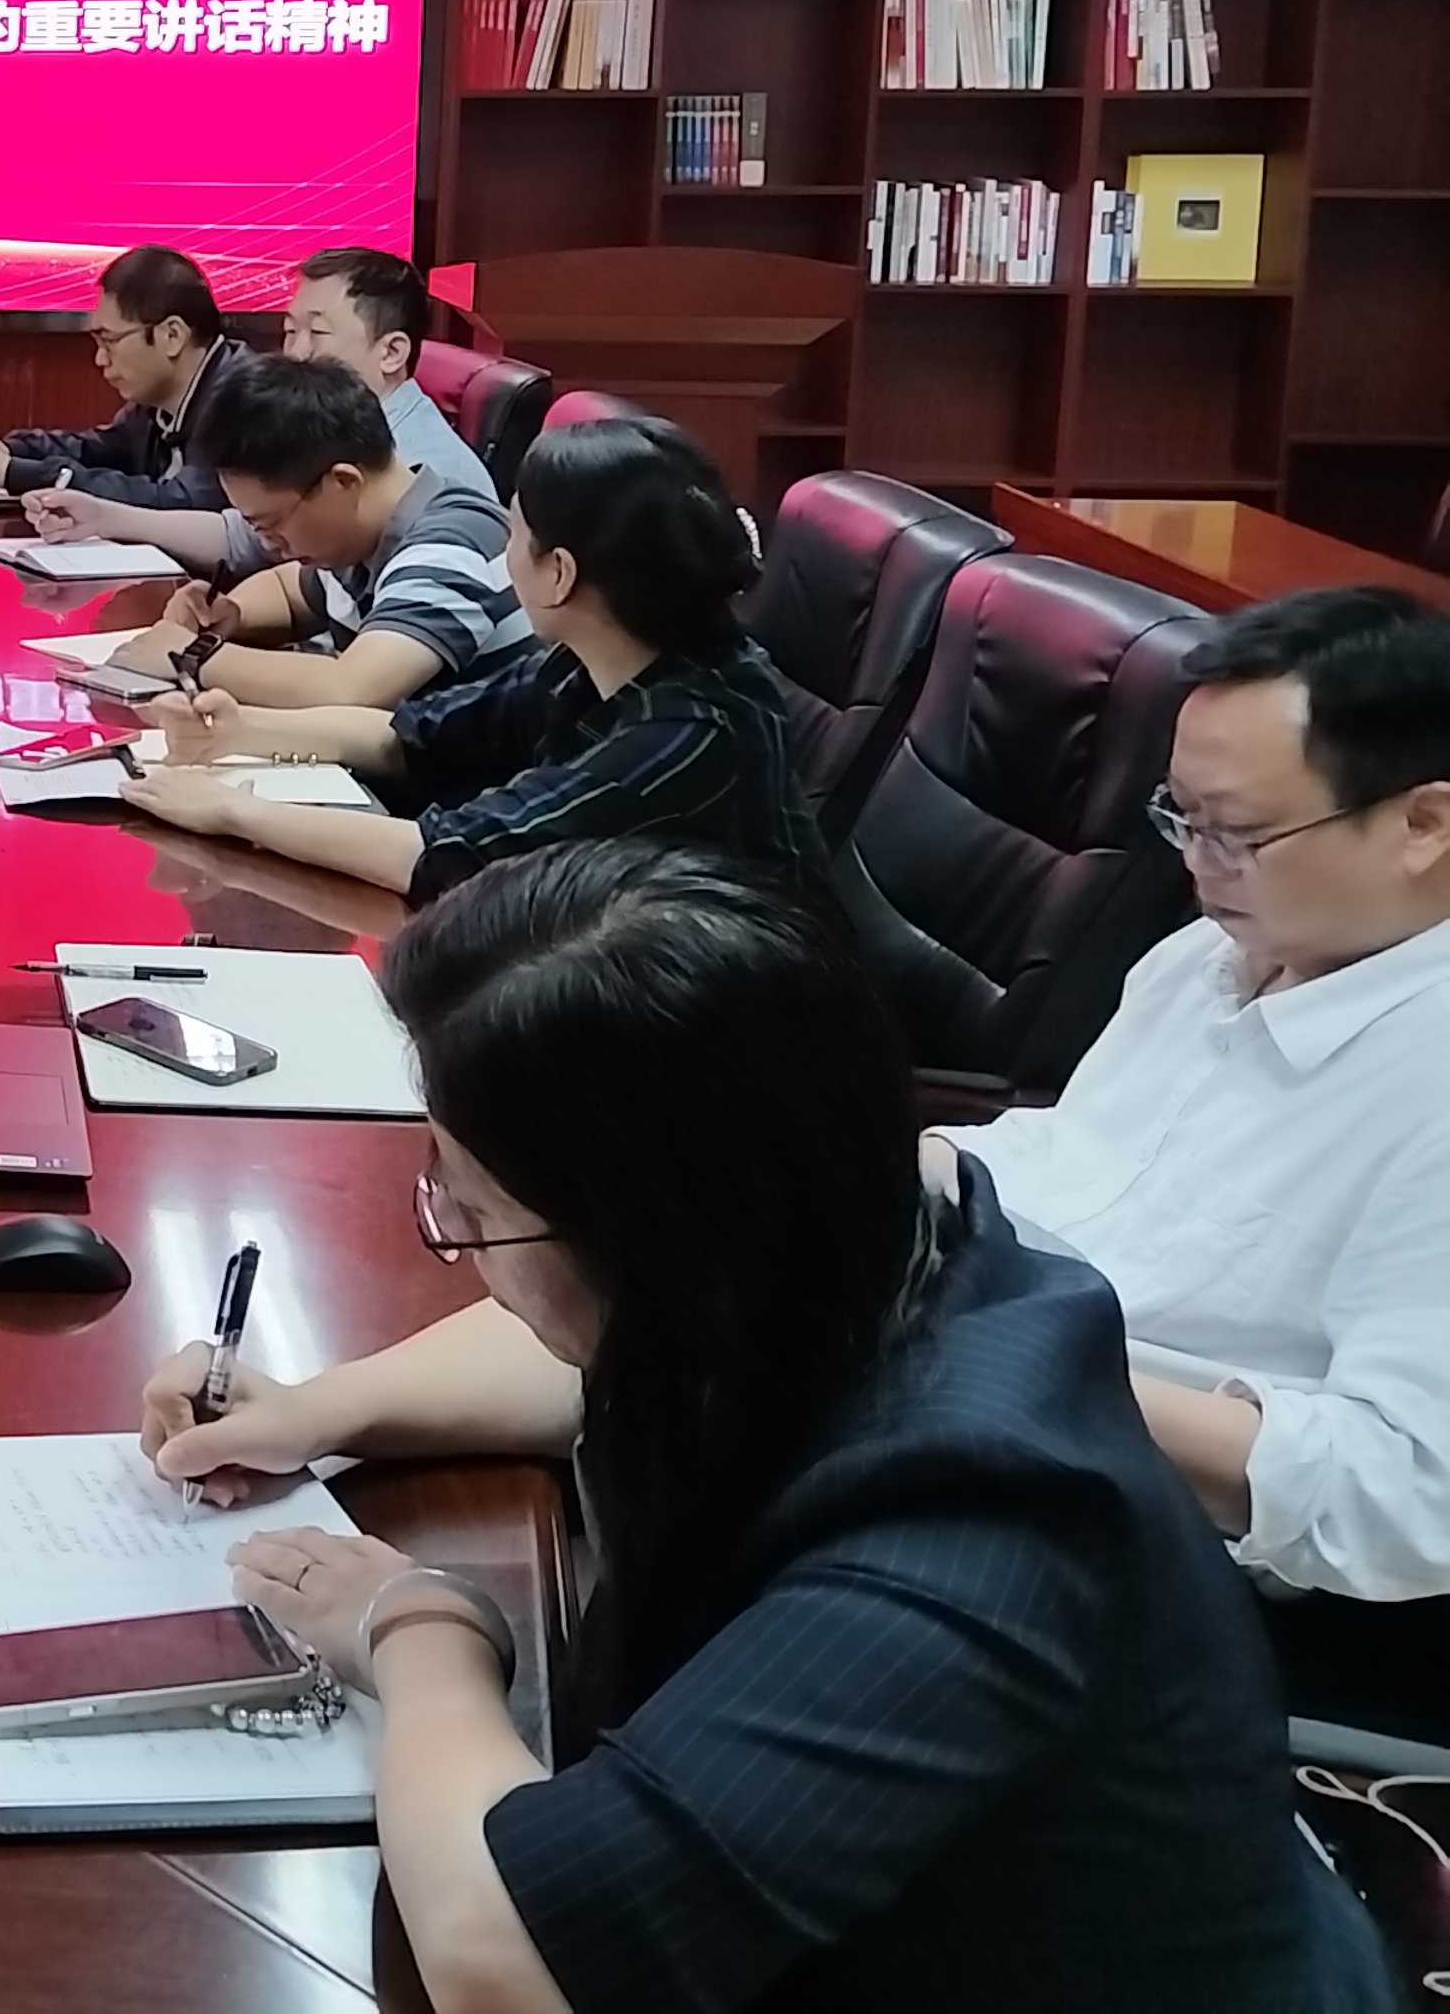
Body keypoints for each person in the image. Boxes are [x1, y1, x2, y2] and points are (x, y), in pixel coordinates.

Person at [144, 839, 1391, 2014]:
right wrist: (321, 1407)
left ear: (656, 1240)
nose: (461, 1247)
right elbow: (599, 1349)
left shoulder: (977, 1531)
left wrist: (418, 1629)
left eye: (472, 1210)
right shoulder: (864, 1228)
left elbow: (505, 1959)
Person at [945, 586, 1450, 1746]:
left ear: (1424, 823)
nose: (1195, 865)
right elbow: (1080, 1164)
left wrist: (1008, 1361)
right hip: (1011, 1415)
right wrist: (917, 1168)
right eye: (1180, 817)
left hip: (1196, 1585)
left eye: (1238, 833)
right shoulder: (1208, 959)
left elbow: (1402, 1494)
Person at [113, 410, 826, 905]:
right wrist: (243, 732)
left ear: (560, 574)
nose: (500, 553)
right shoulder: (590, 658)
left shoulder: (689, 732)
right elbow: (413, 735)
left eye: (514, 534)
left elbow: (448, 855)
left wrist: (233, 812)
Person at [27, 244, 490, 573]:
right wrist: (102, 516)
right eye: (290, 332)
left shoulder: (428, 475)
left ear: (391, 352)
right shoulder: (327, 431)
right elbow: (243, 539)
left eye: (318, 334)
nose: (297, 352)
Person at [97, 358, 520, 711]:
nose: (267, 544)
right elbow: (288, 591)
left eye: (270, 524)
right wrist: (229, 615)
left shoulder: (450, 542)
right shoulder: (358, 538)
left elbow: (355, 687)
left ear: (342, 482)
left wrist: (192, 656)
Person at [0, 245, 248, 503]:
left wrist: (14, 473)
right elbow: (95, 451)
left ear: (172, 335)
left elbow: (182, 503)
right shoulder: (154, 404)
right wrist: (8, 451)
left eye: (109, 341)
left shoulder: (245, 400)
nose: (99, 359)